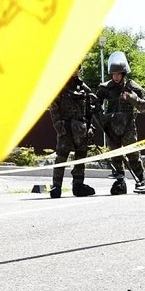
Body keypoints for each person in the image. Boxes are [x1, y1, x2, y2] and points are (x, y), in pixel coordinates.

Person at [95, 51, 145, 195]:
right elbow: (94, 105)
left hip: (128, 126)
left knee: (133, 154)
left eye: (118, 74)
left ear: (123, 74)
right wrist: (102, 119)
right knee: (115, 154)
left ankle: (141, 180)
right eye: (113, 74)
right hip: (111, 126)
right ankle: (120, 181)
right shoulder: (105, 88)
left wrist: (134, 99)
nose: (115, 77)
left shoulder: (132, 87)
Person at [46, 63, 96, 199]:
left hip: (81, 128)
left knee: (81, 157)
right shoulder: (60, 85)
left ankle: (78, 185)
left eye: (76, 68)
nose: (74, 70)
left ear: (79, 69)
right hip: (65, 127)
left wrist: (90, 127)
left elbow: (90, 109)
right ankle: (56, 186)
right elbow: (54, 106)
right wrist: (58, 124)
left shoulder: (83, 87)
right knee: (61, 156)